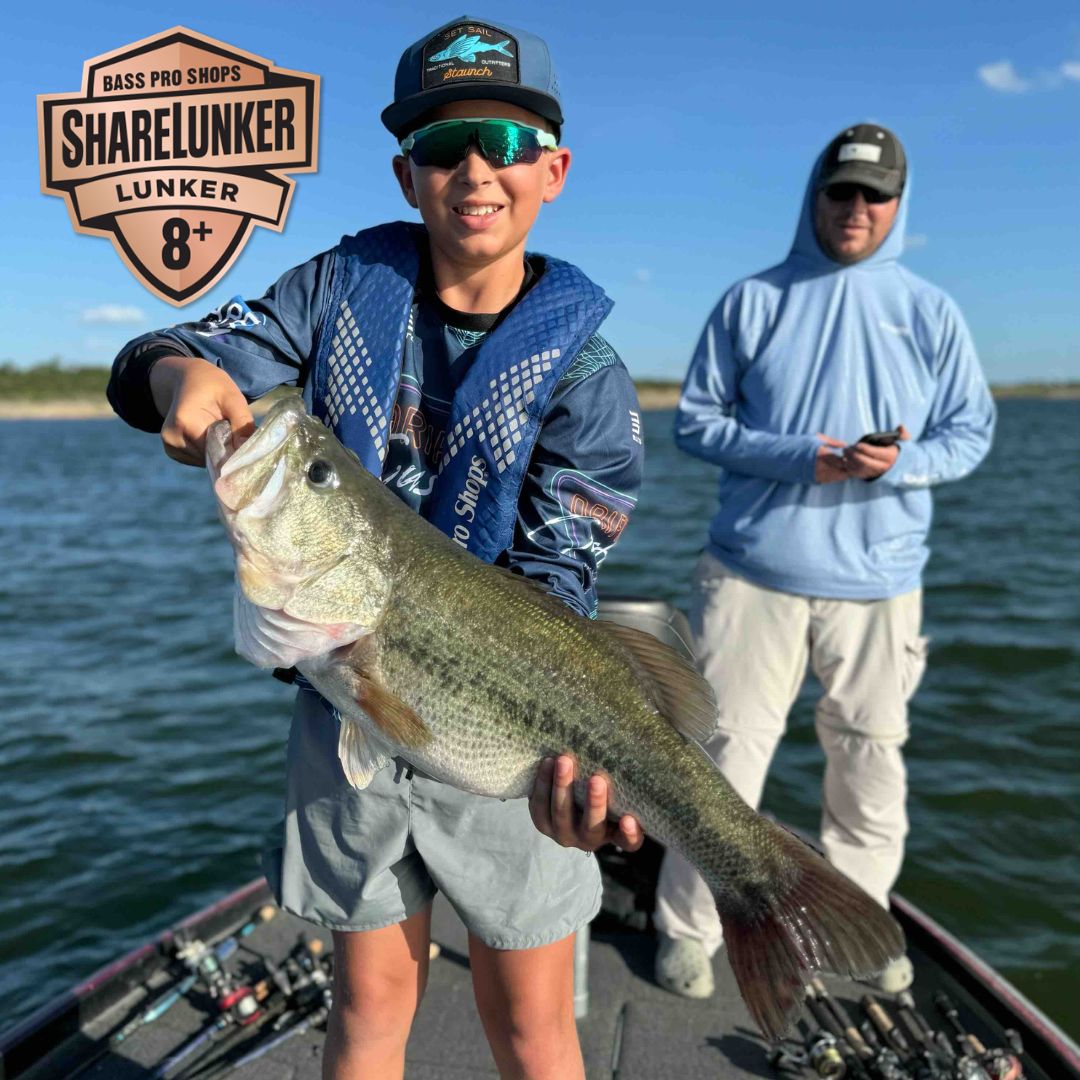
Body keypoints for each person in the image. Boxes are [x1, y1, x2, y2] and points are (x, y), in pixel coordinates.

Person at [107, 17, 645, 1079]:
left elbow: (556, 585)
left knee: (534, 1026)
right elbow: (178, 354)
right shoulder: (336, 289)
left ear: (553, 171)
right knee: (365, 1008)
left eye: (504, 141)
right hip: (346, 694)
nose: (474, 170)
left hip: (504, 732)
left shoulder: (588, 379)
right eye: (442, 147)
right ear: (407, 176)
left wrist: (587, 781)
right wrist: (179, 372)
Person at [653, 123, 995, 1000]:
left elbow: (970, 434)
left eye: (876, 195)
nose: (856, 208)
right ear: (815, 195)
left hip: (880, 585)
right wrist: (805, 457)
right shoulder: (751, 301)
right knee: (719, 761)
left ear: (899, 205)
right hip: (751, 574)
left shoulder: (931, 311)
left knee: (870, 762)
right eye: (842, 191)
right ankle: (687, 926)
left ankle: (860, 925)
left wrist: (899, 463)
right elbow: (696, 423)